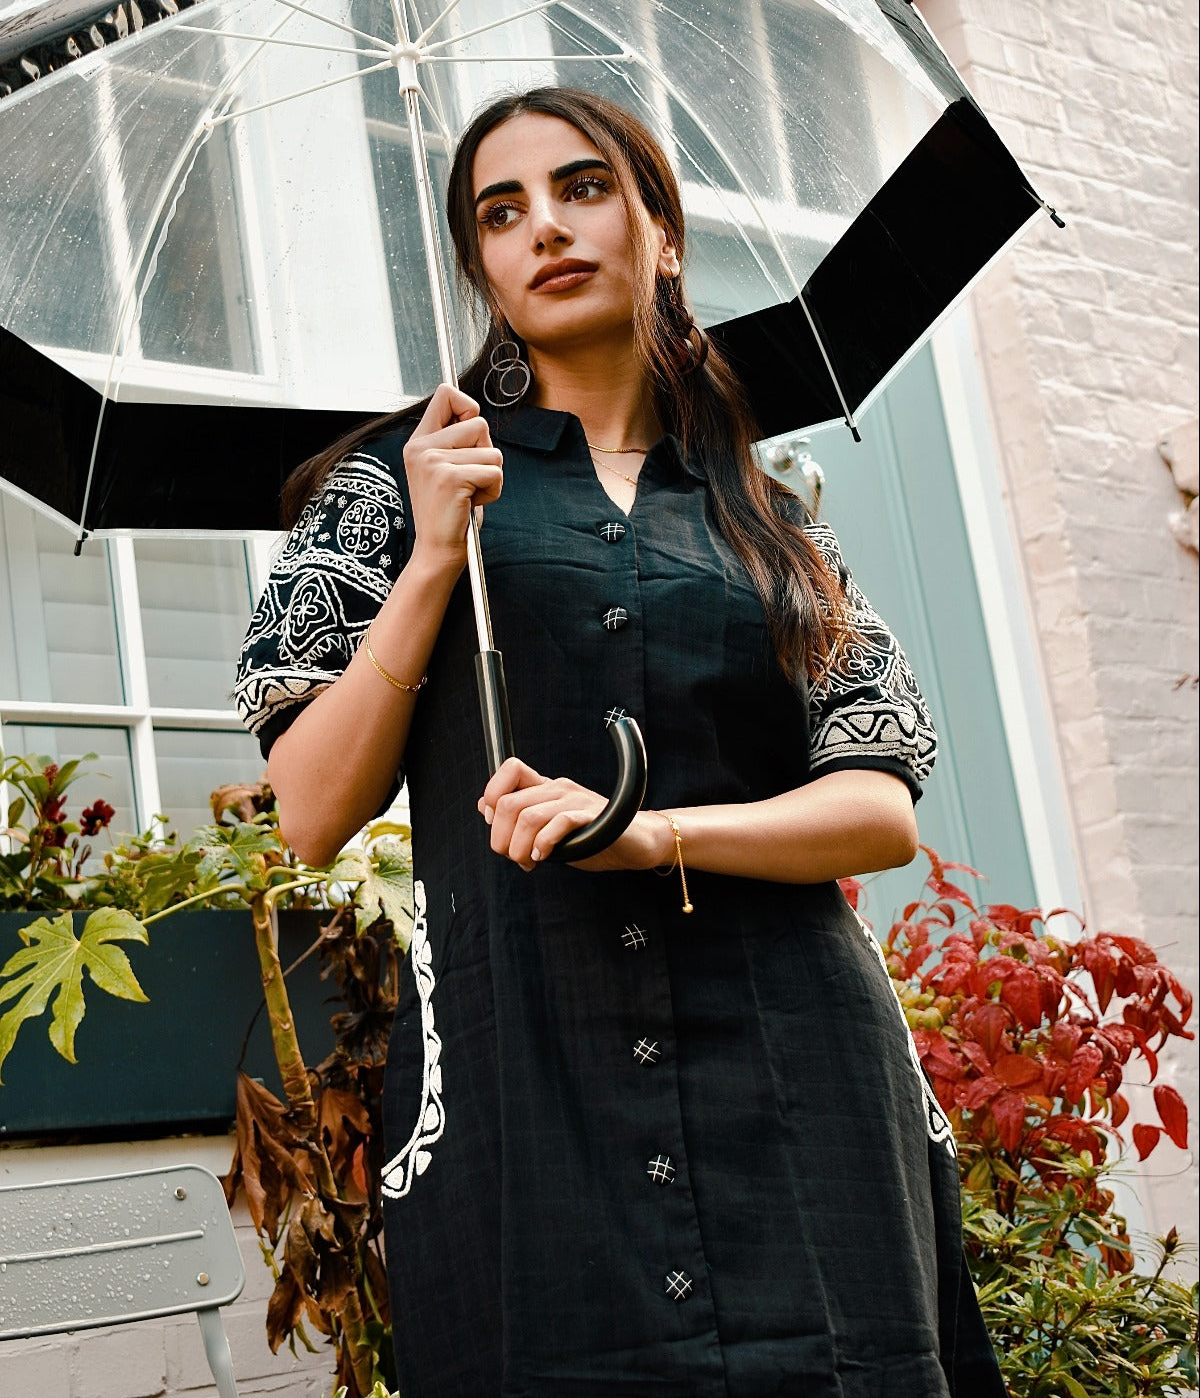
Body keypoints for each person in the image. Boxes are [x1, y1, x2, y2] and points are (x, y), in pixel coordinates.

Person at [234, 87, 1006, 1397]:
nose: (545, 226)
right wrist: (432, 559)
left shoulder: (770, 516)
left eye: (583, 188)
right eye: (501, 212)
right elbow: (308, 810)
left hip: (799, 1072)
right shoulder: (396, 489)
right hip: (525, 1076)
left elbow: (879, 806)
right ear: (480, 267)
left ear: (663, 232)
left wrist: (657, 835)